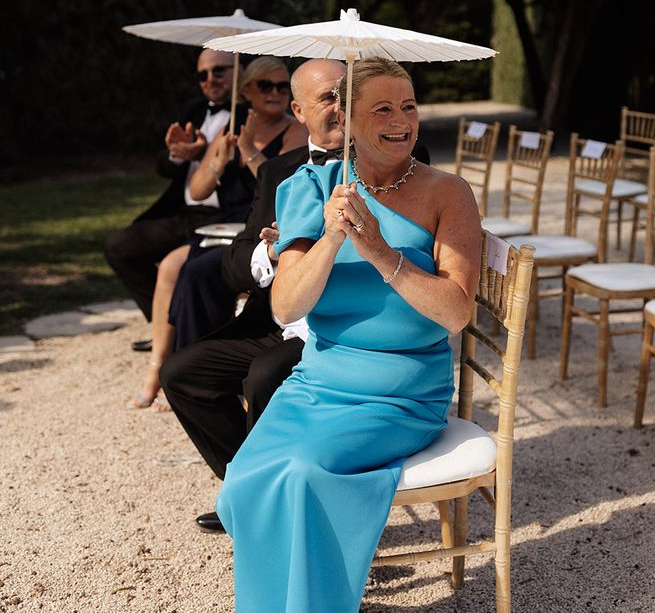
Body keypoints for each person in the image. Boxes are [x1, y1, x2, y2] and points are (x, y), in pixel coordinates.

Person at [215, 57, 481, 612]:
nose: (401, 120)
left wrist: (382, 254)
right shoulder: (307, 187)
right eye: (382, 108)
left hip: (402, 390)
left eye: (408, 106)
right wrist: (332, 238)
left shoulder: (447, 193)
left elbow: (456, 313)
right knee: (245, 478)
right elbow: (286, 302)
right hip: (320, 379)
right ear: (349, 120)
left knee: (305, 472)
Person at [129, 57, 308, 408]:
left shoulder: (295, 131)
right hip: (222, 226)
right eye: (265, 86)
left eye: (282, 87)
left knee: (196, 272)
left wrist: (250, 153)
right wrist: (215, 160)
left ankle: (198, 367)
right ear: (246, 92)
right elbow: (196, 191)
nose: (275, 93)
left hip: (260, 227)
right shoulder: (230, 129)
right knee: (169, 267)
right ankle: (162, 367)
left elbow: (284, 189)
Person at [104, 48, 246, 350]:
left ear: (238, 72)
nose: (211, 79)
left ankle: (179, 333)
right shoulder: (193, 110)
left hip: (224, 215)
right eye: (203, 74)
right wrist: (178, 155)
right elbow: (162, 166)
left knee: (181, 266)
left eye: (219, 70)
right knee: (121, 247)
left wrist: (219, 157)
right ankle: (161, 327)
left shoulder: (249, 115)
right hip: (183, 212)